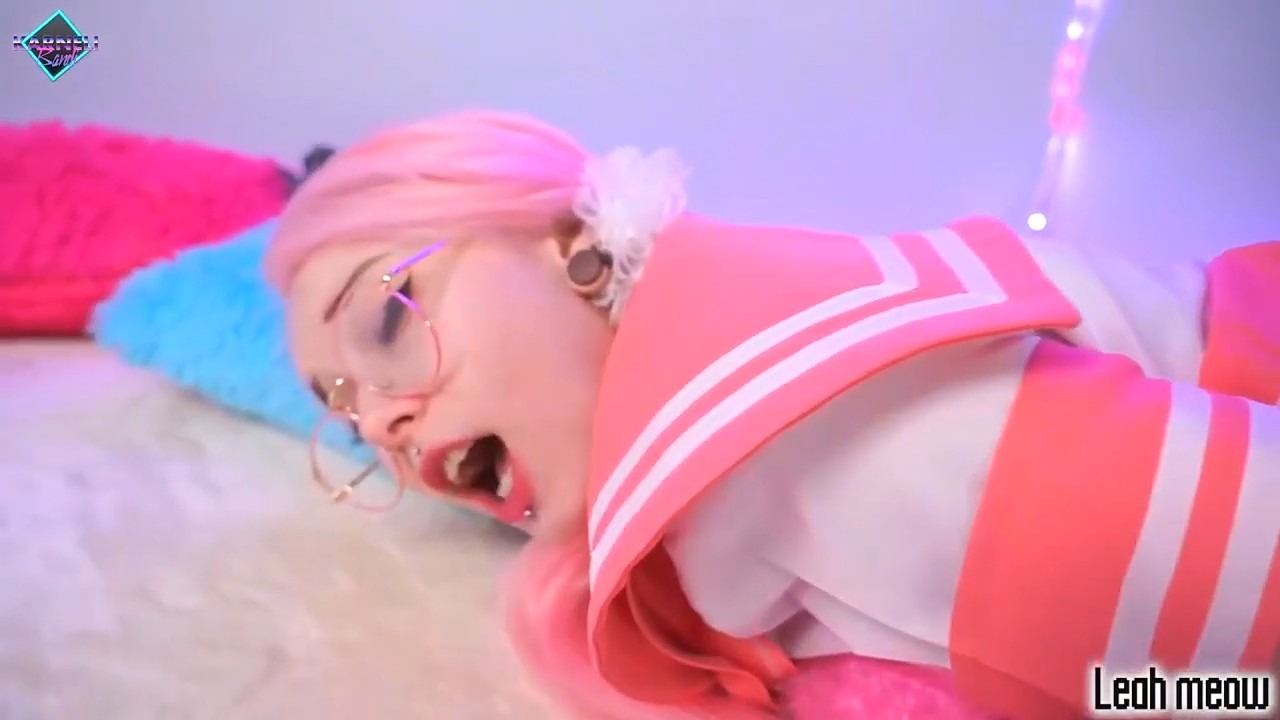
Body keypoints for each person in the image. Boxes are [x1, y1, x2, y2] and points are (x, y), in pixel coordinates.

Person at [264, 111, 1280, 720]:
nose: (381, 427)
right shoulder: (731, 490)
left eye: (385, 323)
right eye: (345, 418)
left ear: (567, 236)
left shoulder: (827, 434)